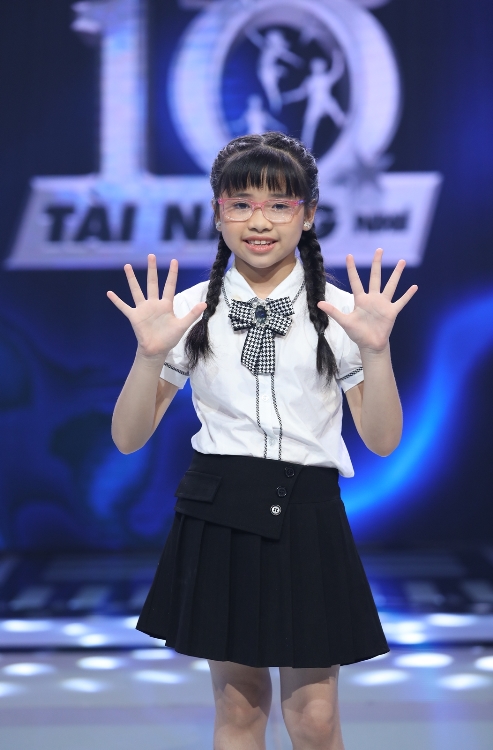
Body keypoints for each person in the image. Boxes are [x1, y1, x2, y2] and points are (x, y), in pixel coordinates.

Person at [108, 132, 417, 750]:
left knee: (315, 720)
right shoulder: (186, 312)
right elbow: (127, 439)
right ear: (217, 212)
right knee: (240, 711)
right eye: (241, 203)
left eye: (279, 204)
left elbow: (382, 441)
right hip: (218, 508)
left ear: (308, 213)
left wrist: (377, 353)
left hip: (308, 510)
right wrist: (148, 356)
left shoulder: (343, 313)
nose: (259, 221)